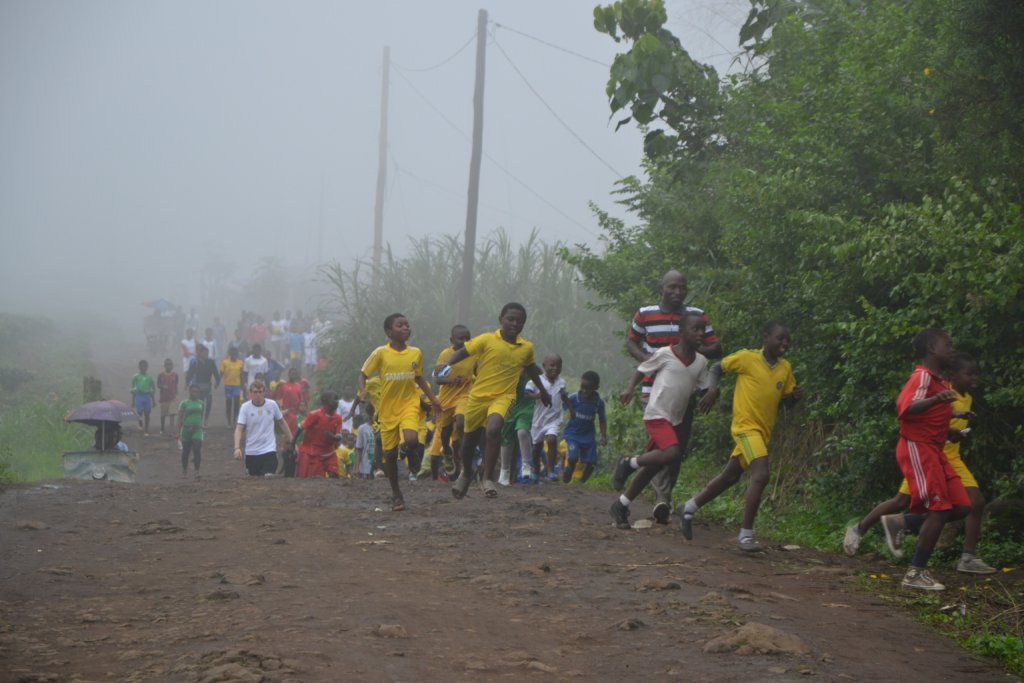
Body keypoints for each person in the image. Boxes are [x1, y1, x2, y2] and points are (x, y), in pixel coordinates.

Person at [843, 352, 995, 575]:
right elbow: (922, 416)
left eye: (975, 374)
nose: (974, 378)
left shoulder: (967, 397)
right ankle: (861, 528)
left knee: (974, 503)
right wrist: (948, 422)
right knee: (901, 501)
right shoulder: (941, 389)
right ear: (954, 375)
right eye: (968, 373)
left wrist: (956, 425)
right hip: (927, 455)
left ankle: (967, 557)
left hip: (951, 458)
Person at [677, 321, 802, 552]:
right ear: (766, 337)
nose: (784, 343)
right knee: (761, 475)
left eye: (787, 340)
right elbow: (717, 368)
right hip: (745, 428)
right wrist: (712, 389)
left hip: (763, 433)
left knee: (730, 476)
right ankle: (746, 535)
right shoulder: (747, 358)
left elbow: (784, 403)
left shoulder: (785, 368)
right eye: (780, 338)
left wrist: (794, 398)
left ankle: (689, 507)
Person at [626, 270, 723, 524]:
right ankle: (662, 497)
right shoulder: (645, 314)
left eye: (682, 287)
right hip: (654, 391)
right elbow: (631, 341)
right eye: (672, 287)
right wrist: (649, 360)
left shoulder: (697, 316)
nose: (677, 292)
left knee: (675, 449)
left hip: (685, 391)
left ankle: (630, 492)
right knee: (664, 446)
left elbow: (716, 346)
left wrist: (693, 350)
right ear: (661, 287)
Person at [610, 313, 710, 529]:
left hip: (675, 420)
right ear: (681, 332)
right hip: (657, 414)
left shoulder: (701, 362)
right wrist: (630, 388)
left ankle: (621, 504)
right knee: (673, 454)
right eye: (695, 329)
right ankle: (629, 462)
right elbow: (642, 369)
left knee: (654, 465)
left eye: (703, 330)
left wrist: (711, 393)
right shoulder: (665, 354)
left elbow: (704, 388)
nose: (700, 334)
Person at [442, 303, 551, 500]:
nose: (515, 324)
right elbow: (461, 352)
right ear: (501, 319)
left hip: (505, 397)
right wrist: (443, 368)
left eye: (520, 321)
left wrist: (543, 391)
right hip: (478, 397)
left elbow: (531, 369)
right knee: (468, 442)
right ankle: (466, 472)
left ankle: (487, 478)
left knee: (493, 429)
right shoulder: (486, 339)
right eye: (511, 319)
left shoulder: (526, 348)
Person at [358, 313, 442, 511]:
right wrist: (363, 391)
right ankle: (396, 494)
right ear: (389, 332)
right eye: (400, 325)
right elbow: (363, 374)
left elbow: (419, 378)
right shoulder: (380, 353)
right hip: (388, 410)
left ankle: (411, 454)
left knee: (412, 438)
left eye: (407, 325)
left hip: (409, 404)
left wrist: (433, 399)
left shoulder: (415, 353)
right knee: (389, 455)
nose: (405, 328)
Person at [430, 325, 475, 476]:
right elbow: (437, 378)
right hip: (446, 399)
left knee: (461, 422)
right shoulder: (446, 354)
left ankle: (464, 452)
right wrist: (451, 380)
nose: (465, 341)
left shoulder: (472, 353)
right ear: (452, 340)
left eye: (467, 338)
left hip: (464, 396)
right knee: (445, 434)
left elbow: (477, 371)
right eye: (461, 338)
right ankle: (447, 453)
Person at [234, 379, 292, 477]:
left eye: (260, 392)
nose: (258, 395)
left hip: (269, 450)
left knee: (268, 476)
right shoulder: (245, 407)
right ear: (251, 393)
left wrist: (292, 440)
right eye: (255, 392)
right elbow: (239, 429)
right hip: (251, 452)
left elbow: (282, 422)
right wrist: (237, 448)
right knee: (254, 479)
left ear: (264, 392)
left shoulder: (272, 405)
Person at [525, 354, 569, 481]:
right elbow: (526, 394)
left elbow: (563, 396)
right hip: (538, 420)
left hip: (553, 419)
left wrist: (570, 409)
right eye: (552, 365)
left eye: (558, 366)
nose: (555, 368)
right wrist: (538, 395)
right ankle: (536, 469)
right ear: (544, 366)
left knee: (551, 439)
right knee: (536, 448)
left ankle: (550, 470)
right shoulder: (535, 381)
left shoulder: (561, 382)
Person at [562, 371, 607, 483]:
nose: (585, 391)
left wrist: (603, 436)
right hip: (572, 434)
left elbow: (602, 420)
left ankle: (582, 482)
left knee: (591, 462)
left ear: (596, 388)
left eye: (588, 388)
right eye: (583, 387)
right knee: (573, 458)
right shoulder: (574, 398)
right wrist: (563, 398)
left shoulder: (598, 403)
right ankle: (569, 470)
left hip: (588, 436)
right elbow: (561, 406)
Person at [293, 390, 343, 479]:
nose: (337, 401)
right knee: (317, 478)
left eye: (337, 399)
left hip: (329, 452)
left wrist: (334, 437)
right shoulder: (315, 415)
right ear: (325, 401)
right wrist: (293, 443)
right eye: (335, 399)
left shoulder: (338, 418)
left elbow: (338, 435)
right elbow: (300, 428)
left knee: (335, 476)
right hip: (314, 453)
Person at [499, 372, 534, 485]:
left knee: (522, 431)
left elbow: (541, 383)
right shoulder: (506, 371)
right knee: (506, 439)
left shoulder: (532, 372)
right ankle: (504, 471)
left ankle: (526, 464)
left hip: (526, 407)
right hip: (509, 405)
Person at [186, 344, 220, 429]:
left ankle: (206, 420)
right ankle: (199, 420)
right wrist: (187, 383)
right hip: (198, 386)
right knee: (201, 405)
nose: (206, 355)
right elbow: (190, 373)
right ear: (200, 354)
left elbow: (216, 372)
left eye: (207, 354)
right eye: (204, 354)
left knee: (209, 402)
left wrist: (217, 381)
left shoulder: (211, 362)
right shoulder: (196, 362)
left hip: (208, 386)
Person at [177, 383, 205, 479]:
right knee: (186, 451)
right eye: (193, 391)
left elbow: (201, 415)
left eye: (197, 392)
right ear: (189, 392)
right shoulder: (184, 403)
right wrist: (178, 431)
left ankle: (197, 471)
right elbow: (180, 417)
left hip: (197, 429)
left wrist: (200, 424)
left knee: (197, 449)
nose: (195, 393)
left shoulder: (201, 403)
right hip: (186, 430)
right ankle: (184, 470)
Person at [274, 367, 307, 437]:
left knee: (296, 431)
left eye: (295, 374)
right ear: (289, 374)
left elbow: (301, 399)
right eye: (292, 373)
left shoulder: (299, 386)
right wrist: (281, 410)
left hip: (296, 412)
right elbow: (278, 399)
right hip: (287, 412)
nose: (293, 375)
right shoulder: (283, 386)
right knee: (287, 431)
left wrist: (302, 410)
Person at [220, 346, 245, 426]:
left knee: (236, 403)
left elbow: (242, 375)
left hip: (237, 386)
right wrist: (217, 382)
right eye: (232, 353)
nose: (234, 355)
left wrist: (243, 384)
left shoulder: (240, 363)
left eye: (235, 353)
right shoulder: (225, 362)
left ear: (237, 354)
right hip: (228, 386)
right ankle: (229, 421)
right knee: (229, 404)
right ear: (230, 354)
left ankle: (235, 419)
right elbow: (221, 373)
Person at [131, 360, 156, 436]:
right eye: (142, 366)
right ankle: (140, 424)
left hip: (147, 397)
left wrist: (153, 400)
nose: (143, 368)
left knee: (147, 414)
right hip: (139, 396)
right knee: (139, 413)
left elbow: (152, 389)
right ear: (139, 367)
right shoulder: (135, 377)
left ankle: (146, 430)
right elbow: (133, 389)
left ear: (147, 367)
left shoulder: (149, 377)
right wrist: (133, 401)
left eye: (145, 366)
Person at [157, 358, 179, 436]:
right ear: (164, 365)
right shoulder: (161, 375)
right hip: (164, 398)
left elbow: (176, 384)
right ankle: (162, 428)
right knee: (163, 415)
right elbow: (158, 385)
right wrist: (162, 386)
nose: (169, 366)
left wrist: (176, 394)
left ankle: (171, 430)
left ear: (172, 365)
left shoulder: (175, 375)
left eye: (170, 364)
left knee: (172, 414)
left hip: (172, 397)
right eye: (167, 364)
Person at [354, 408, 376, 479]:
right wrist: (357, 468)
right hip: (365, 468)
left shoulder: (383, 428)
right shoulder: (362, 428)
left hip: (379, 467)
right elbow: (359, 449)